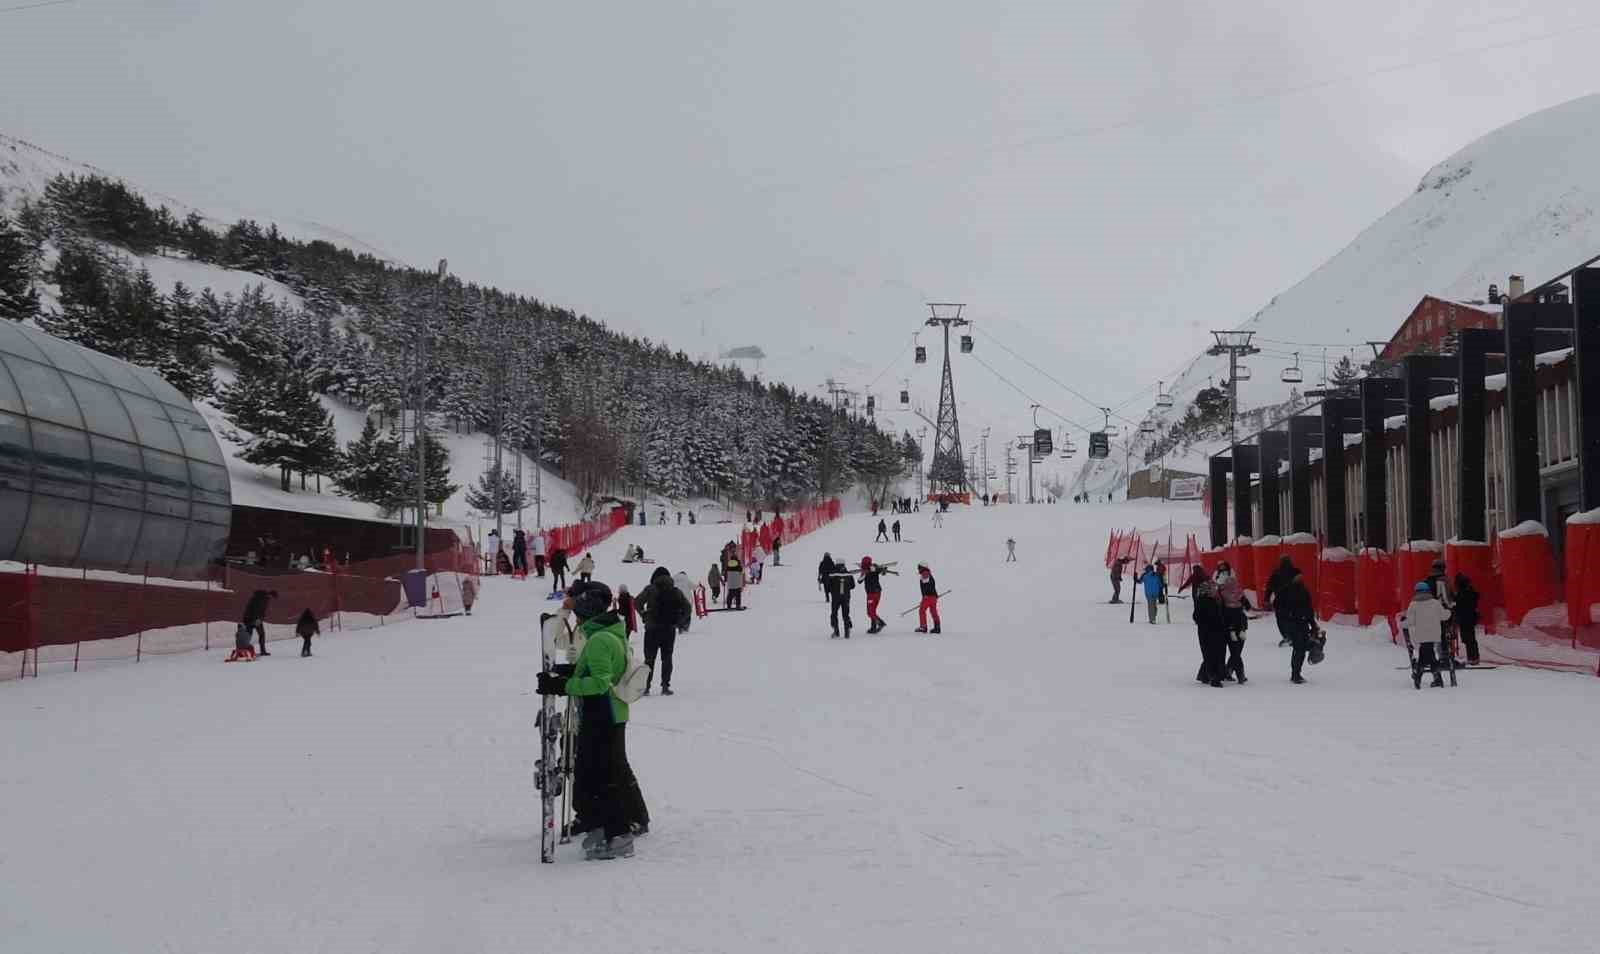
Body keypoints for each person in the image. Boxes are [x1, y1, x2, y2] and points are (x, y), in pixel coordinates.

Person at [537, 582, 638, 860]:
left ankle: (618, 834)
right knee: (592, 774)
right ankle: (599, 824)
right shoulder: (606, 635)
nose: (577, 620)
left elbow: (599, 682)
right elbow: (592, 668)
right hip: (607, 714)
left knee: (604, 776)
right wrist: (564, 673)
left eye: (580, 615)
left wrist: (564, 686)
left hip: (603, 714)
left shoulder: (599, 640)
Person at [635, 567, 690, 696]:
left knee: (649, 659)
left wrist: (644, 615)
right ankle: (665, 686)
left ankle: (646, 687)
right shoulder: (675, 591)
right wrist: (679, 621)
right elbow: (687, 608)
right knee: (667, 658)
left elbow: (637, 602)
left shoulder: (650, 589)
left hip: (652, 629)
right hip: (669, 629)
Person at [1402, 580, 1450, 689]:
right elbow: (1444, 616)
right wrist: (1449, 612)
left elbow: (1410, 621)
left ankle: (1419, 675)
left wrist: (1401, 624)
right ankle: (1437, 678)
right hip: (1434, 635)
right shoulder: (1435, 603)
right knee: (1429, 654)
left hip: (1421, 636)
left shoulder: (1413, 605)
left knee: (1425, 656)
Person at [1188, 566, 1229, 687]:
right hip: (1214, 629)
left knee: (1209, 652)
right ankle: (1212, 676)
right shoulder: (1216, 601)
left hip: (1207, 630)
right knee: (1214, 652)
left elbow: (1196, 616)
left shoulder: (1204, 600)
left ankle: (1209, 675)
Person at [1276, 572, 1318, 684]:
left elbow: (1309, 609)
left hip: (1303, 623)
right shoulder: (1285, 591)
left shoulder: (1304, 591)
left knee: (1302, 649)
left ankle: (1297, 672)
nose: (1300, 578)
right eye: (1297, 576)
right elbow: (1278, 609)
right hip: (1292, 624)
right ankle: (1295, 674)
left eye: (1300, 576)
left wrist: (1313, 625)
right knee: (1299, 649)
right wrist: (1285, 624)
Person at [1215, 562, 1250, 683]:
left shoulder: (1222, 589)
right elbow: (1246, 605)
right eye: (1222, 572)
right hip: (1231, 624)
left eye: (1226, 572)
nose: (1225, 575)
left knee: (1234, 650)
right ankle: (1235, 673)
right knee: (1235, 650)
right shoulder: (1221, 590)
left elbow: (1246, 605)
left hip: (1231, 624)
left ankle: (1229, 671)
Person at [859, 556, 897, 634]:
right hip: (877, 592)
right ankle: (873, 627)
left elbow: (883, 572)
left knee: (870, 612)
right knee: (872, 611)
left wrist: (879, 569)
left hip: (872, 594)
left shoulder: (874, 567)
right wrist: (865, 573)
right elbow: (860, 581)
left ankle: (880, 623)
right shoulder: (865, 570)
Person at [1454, 573, 1481, 666]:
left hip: (1464, 618)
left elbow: (1457, 606)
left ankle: (1472, 658)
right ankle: (1474, 657)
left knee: (1468, 638)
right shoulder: (1471, 593)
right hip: (1470, 617)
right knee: (1471, 638)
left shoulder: (1461, 594)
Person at [241, 588, 278, 656]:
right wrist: (257, 619)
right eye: (272, 597)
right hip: (253, 619)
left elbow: (260, 610)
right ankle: (260, 651)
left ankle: (244, 650)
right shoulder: (262, 598)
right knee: (260, 634)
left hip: (249, 618)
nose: (271, 599)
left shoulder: (261, 597)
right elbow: (256, 609)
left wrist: (261, 617)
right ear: (271, 595)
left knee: (249, 635)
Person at [828, 560, 855, 638]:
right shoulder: (848, 574)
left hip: (835, 598)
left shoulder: (832, 574)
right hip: (846, 597)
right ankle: (847, 633)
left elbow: (829, 587)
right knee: (846, 615)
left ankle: (836, 631)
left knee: (834, 614)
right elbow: (853, 586)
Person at [914, 563, 941, 634]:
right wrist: (934, 594)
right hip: (933, 597)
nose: (918, 569)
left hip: (928, 597)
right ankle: (937, 627)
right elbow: (931, 585)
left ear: (923, 567)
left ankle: (923, 627)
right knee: (933, 611)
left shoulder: (925, 573)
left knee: (922, 610)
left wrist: (926, 595)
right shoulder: (928, 573)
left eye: (919, 567)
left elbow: (926, 585)